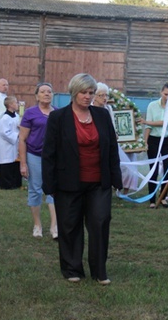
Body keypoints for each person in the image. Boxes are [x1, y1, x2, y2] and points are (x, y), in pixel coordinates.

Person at [43, 74, 122, 284]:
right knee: (70, 226)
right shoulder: (58, 118)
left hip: (99, 182)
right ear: (73, 93)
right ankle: (72, 268)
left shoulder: (102, 116)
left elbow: (112, 149)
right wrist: (49, 184)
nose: (87, 97)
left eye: (91, 93)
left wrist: (116, 178)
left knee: (100, 222)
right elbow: (49, 153)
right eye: (83, 93)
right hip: (68, 182)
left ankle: (99, 271)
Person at [19, 82, 58, 239]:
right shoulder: (30, 113)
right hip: (34, 155)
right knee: (35, 188)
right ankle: (37, 225)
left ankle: (54, 227)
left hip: (53, 157)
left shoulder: (58, 114)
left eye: (49, 91)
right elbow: (22, 139)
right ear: (37, 96)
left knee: (54, 190)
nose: (47, 94)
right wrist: (23, 163)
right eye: (43, 91)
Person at [92, 82, 140, 192]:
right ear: (94, 96)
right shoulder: (90, 109)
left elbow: (112, 126)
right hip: (96, 144)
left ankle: (123, 190)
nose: (104, 98)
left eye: (106, 95)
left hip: (111, 143)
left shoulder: (108, 108)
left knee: (126, 166)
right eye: (101, 95)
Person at [142, 82, 168, 208]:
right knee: (153, 170)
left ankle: (163, 196)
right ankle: (152, 198)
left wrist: (147, 121)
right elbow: (148, 126)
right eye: (165, 94)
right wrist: (145, 141)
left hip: (166, 140)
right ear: (161, 93)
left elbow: (165, 122)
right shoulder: (152, 105)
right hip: (154, 139)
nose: (167, 97)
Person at [0, 95, 22, 189]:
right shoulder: (5, 118)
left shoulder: (16, 116)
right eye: (15, 102)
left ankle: (15, 182)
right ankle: (6, 183)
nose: (17, 104)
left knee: (14, 163)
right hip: (6, 145)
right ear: (10, 105)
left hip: (14, 145)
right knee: (7, 164)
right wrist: (16, 135)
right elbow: (4, 133)